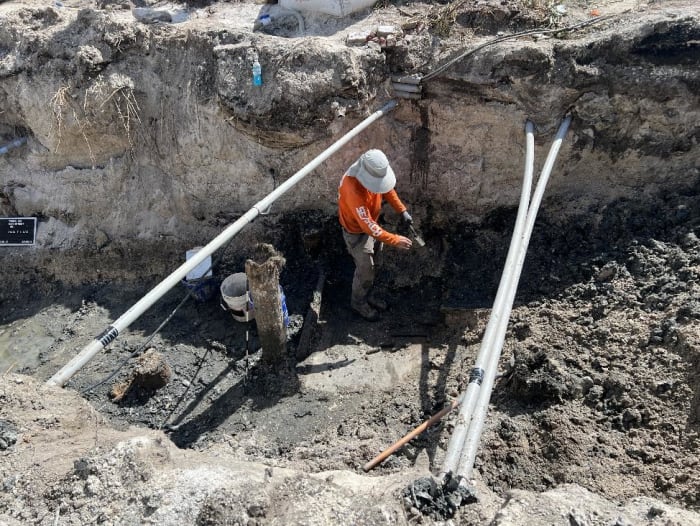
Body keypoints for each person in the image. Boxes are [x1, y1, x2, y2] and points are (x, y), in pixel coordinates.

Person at [338, 149, 413, 321]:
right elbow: (368, 226)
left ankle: (367, 293)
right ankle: (358, 302)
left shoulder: (370, 172)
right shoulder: (353, 189)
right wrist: (395, 240)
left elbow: (385, 188)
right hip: (356, 233)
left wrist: (402, 210)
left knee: (374, 263)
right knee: (366, 269)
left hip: (371, 225)